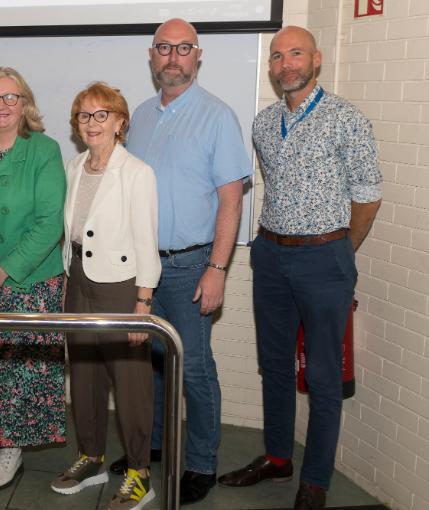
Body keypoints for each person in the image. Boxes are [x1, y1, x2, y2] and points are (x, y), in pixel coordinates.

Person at [218, 26, 381, 510]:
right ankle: (276, 457)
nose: (285, 63)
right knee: (274, 365)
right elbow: (276, 185)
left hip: (325, 256)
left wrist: (340, 252)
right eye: (276, 56)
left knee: (325, 375)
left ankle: (315, 480)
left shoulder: (347, 119)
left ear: (317, 60)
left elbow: (368, 197)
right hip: (270, 254)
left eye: (295, 54)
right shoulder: (263, 123)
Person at [112, 18, 253, 505]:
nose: (172, 57)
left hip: (192, 266)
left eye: (183, 48)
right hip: (142, 268)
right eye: (164, 48)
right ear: (152, 57)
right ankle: (151, 445)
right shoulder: (142, 116)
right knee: (149, 363)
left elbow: (231, 202)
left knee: (193, 369)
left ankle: (201, 464)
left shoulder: (217, 116)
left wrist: (217, 270)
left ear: (198, 56)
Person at [49, 82, 160, 510]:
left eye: (102, 115)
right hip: (77, 278)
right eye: (84, 115)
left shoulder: (137, 173)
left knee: (130, 384)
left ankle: (139, 472)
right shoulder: (76, 166)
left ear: (120, 123)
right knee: (85, 374)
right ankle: (91, 457)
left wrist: (143, 304)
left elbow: (147, 243)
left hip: (122, 287)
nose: (92, 123)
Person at [0, 67, 67, 491]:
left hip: (30, 279)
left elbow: (48, 222)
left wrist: (3, 270)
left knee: (22, 369)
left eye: (10, 97)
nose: (1, 106)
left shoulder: (44, 149)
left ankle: (12, 448)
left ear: (25, 103)